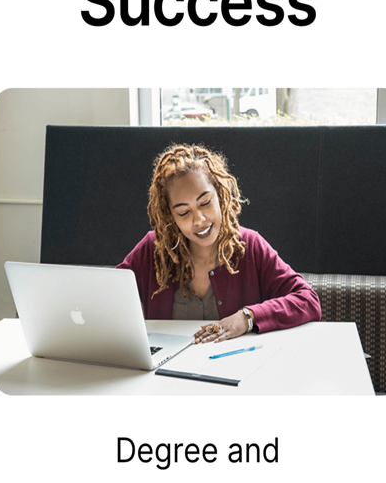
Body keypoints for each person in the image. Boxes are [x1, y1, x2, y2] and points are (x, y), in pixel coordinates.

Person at [117, 142, 321, 343]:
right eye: (184, 212)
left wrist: (247, 317)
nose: (199, 220)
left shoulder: (249, 246)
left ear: (220, 196)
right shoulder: (153, 249)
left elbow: (308, 301)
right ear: (171, 216)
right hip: (164, 373)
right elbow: (106, 297)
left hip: (237, 368)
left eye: (205, 203)